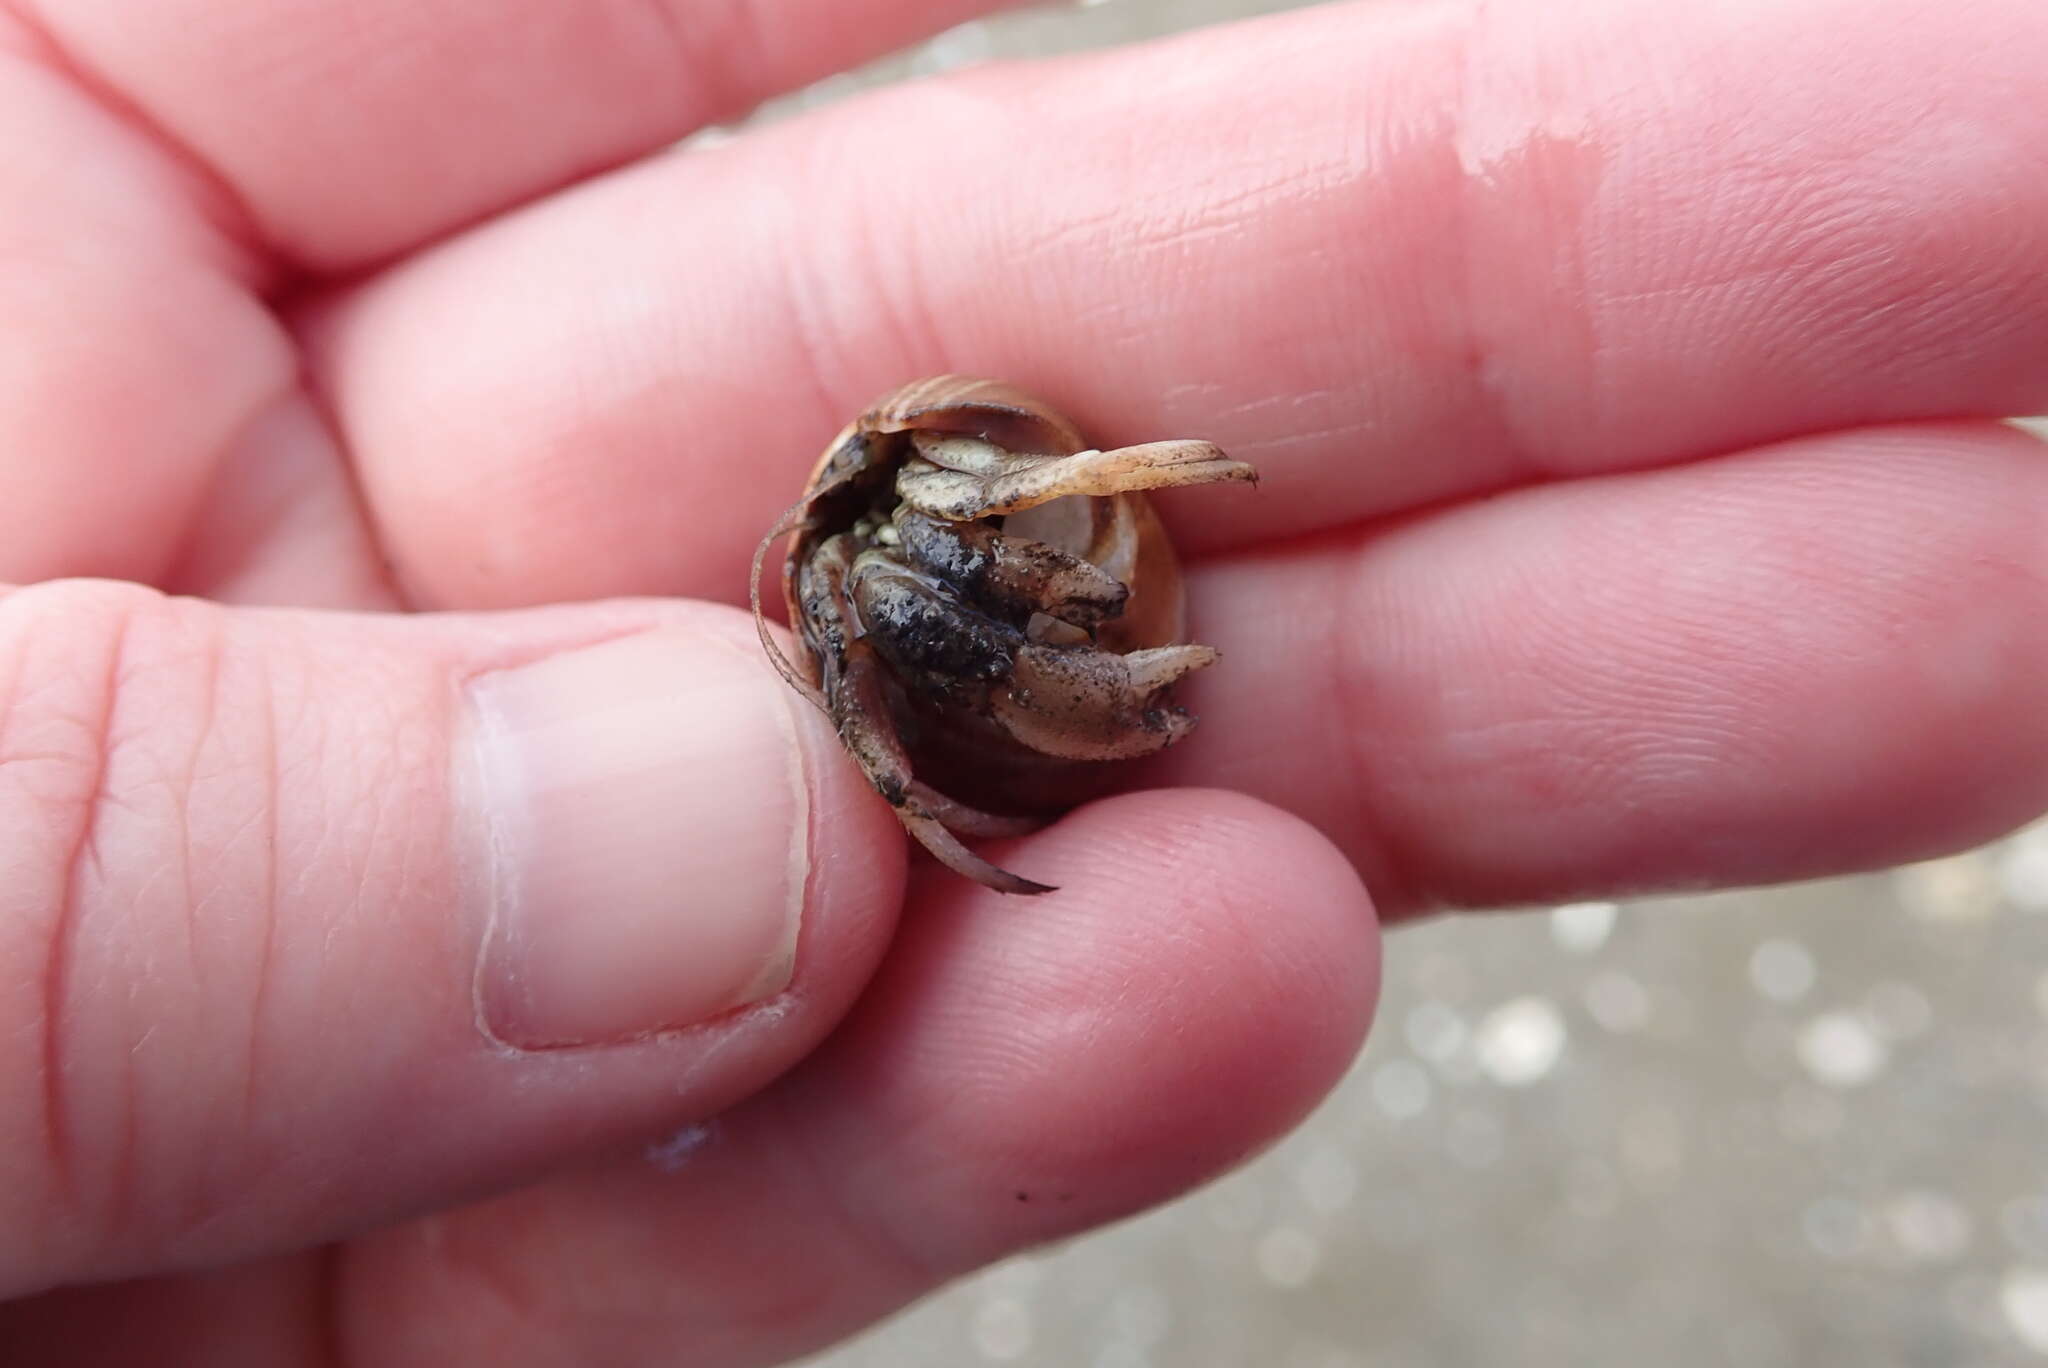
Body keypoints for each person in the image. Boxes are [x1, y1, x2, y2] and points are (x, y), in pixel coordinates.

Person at [2, 0, 2044, 1360]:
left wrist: (1097, 501)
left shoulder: (945, 479)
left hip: (992, 504)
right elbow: (911, 596)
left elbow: (1000, 461)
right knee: (1005, 718)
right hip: (931, 581)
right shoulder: (873, 568)